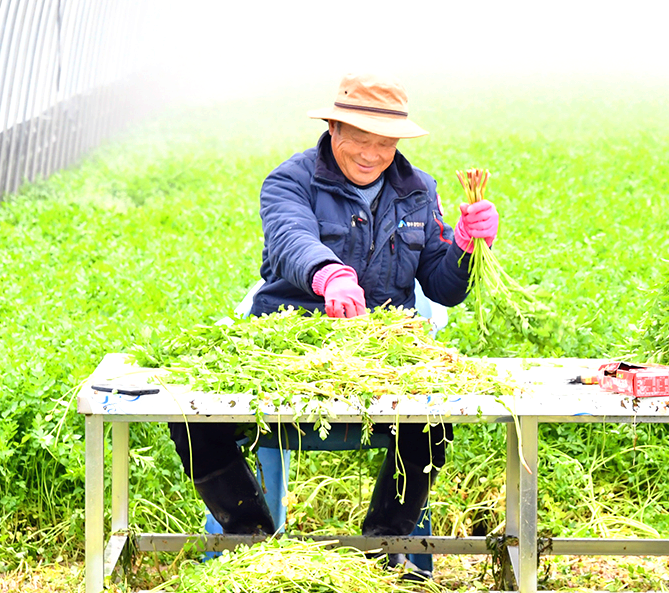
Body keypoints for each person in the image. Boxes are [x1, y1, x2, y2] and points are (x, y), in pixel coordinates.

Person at [167, 73, 499, 579]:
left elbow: (443, 287)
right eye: (359, 140)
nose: (371, 154)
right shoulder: (290, 180)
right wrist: (330, 276)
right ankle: (252, 544)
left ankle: (385, 548)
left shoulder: (418, 191)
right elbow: (290, 239)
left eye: (385, 144)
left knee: (435, 416)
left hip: (383, 361)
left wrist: (467, 249)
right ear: (333, 129)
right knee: (191, 413)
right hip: (287, 353)